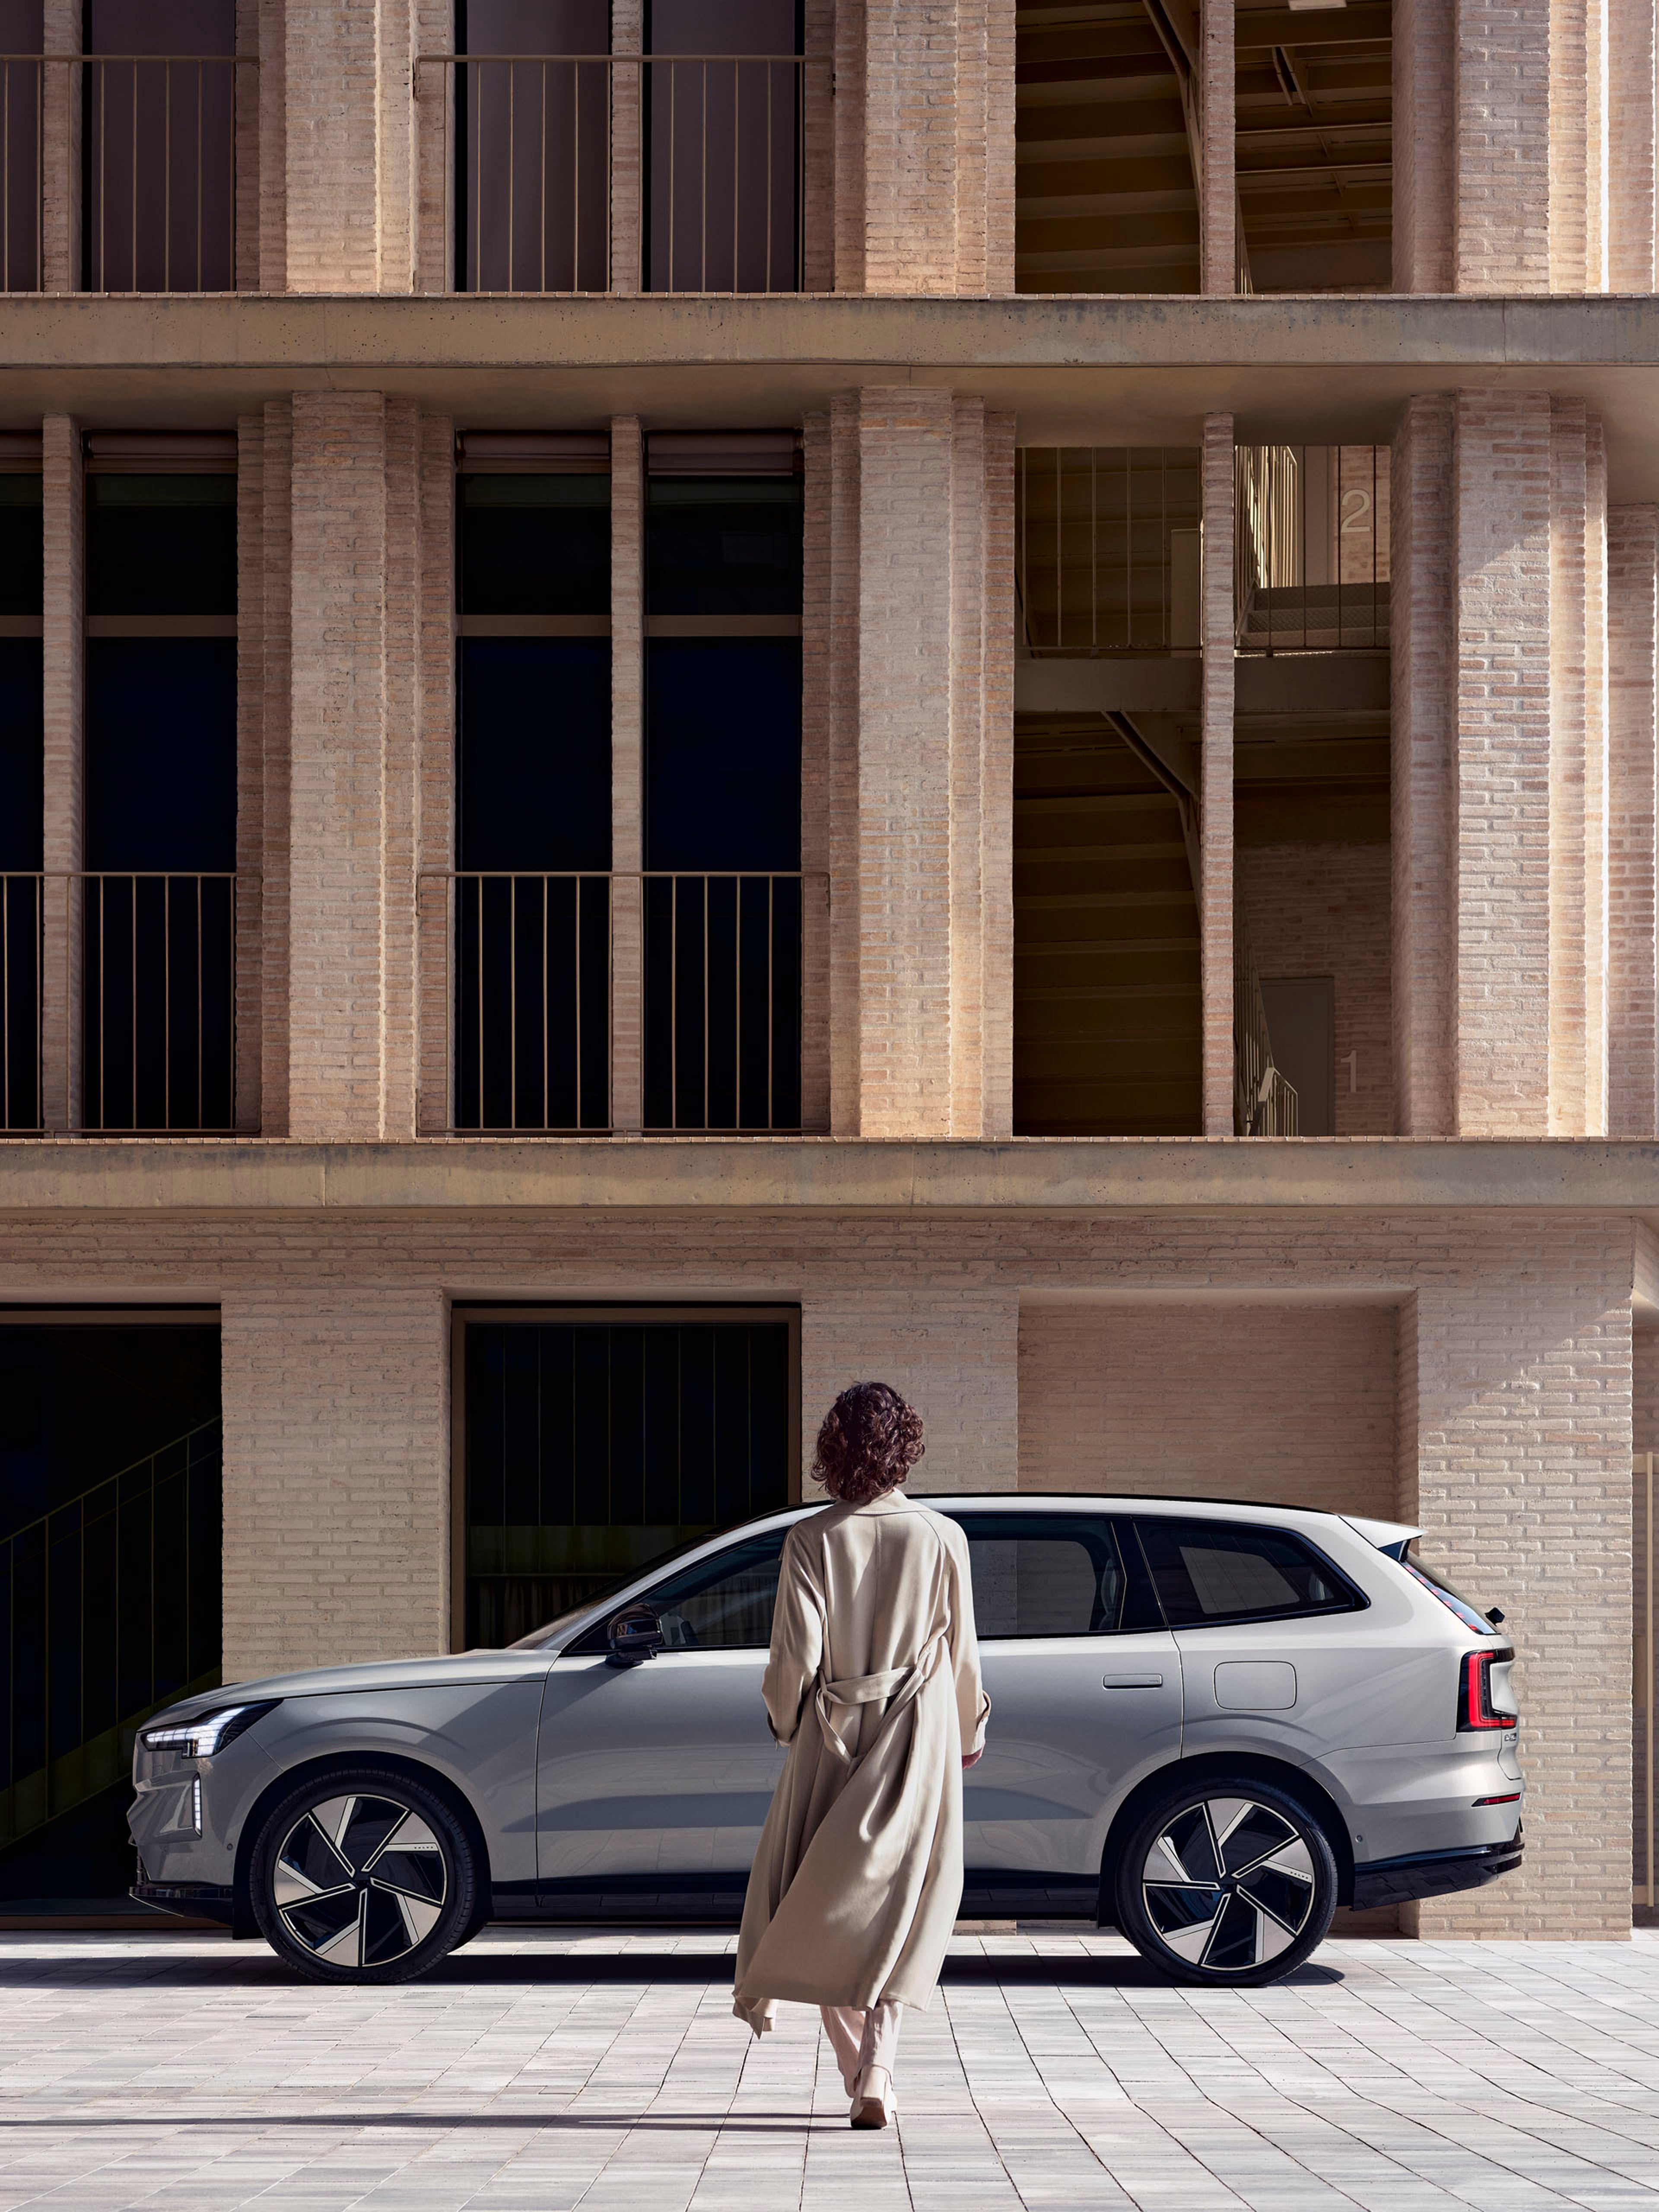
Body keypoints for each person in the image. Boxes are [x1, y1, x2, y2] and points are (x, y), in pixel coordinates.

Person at [732, 1381, 989, 2129]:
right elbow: (964, 1654)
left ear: (833, 1450)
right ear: (905, 1446)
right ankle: (878, 2065)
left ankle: (860, 2074)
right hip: (920, 1736)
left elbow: (793, 1660)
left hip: (834, 1735)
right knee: (901, 1906)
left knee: (823, 1906)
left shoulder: (811, 1540)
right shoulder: (944, 1538)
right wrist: (969, 1733)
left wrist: (786, 1724)